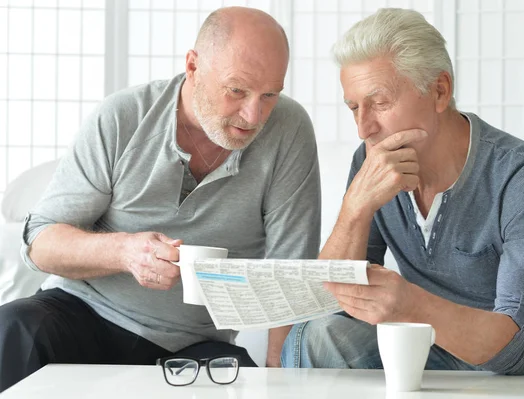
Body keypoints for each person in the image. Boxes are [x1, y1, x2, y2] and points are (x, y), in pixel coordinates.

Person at [0, 6, 321, 393]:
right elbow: (39, 243)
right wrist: (124, 252)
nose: (253, 115)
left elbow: (291, 271)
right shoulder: (123, 117)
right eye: (236, 90)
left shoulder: (289, 130)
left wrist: (280, 379)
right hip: (82, 311)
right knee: (15, 326)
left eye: (269, 94)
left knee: (245, 383)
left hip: (193, 343)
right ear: (193, 66)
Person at [280, 8, 524, 390]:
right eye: (353, 107)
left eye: (379, 103)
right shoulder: (370, 161)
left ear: (439, 91)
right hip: (431, 343)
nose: (364, 127)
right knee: (313, 335)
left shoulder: (523, 174)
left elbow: (522, 347)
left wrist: (410, 304)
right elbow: (328, 303)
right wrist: (355, 207)